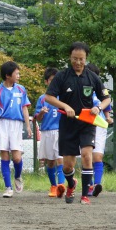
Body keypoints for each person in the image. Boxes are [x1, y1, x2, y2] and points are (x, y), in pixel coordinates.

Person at [44, 42, 111, 204]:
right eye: (75, 58)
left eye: (81, 59)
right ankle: (71, 183)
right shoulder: (62, 76)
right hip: (68, 124)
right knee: (67, 165)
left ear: (86, 58)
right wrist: (65, 106)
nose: (78, 62)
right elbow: (49, 97)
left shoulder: (93, 77)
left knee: (87, 156)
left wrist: (98, 108)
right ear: (70, 57)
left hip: (87, 123)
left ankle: (85, 195)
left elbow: (106, 98)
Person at [0, 61, 32, 198]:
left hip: (16, 125)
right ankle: (8, 187)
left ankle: (18, 176)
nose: (19, 76)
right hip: (2, 124)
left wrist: (28, 126)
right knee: (5, 156)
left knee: (17, 157)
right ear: (8, 75)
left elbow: (24, 108)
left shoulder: (21, 89)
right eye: (16, 73)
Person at [35, 68, 64, 197]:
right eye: (51, 80)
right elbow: (38, 118)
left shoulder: (63, 97)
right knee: (50, 161)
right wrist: (41, 112)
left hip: (60, 131)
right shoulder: (42, 99)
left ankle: (61, 185)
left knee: (60, 159)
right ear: (46, 82)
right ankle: (53, 185)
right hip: (47, 132)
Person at [85, 63, 113, 197]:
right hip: (85, 125)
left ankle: (97, 184)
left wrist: (108, 117)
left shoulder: (102, 90)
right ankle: (89, 185)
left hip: (99, 125)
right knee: (87, 156)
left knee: (98, 156)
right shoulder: (81, 89)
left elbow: (106, 104)